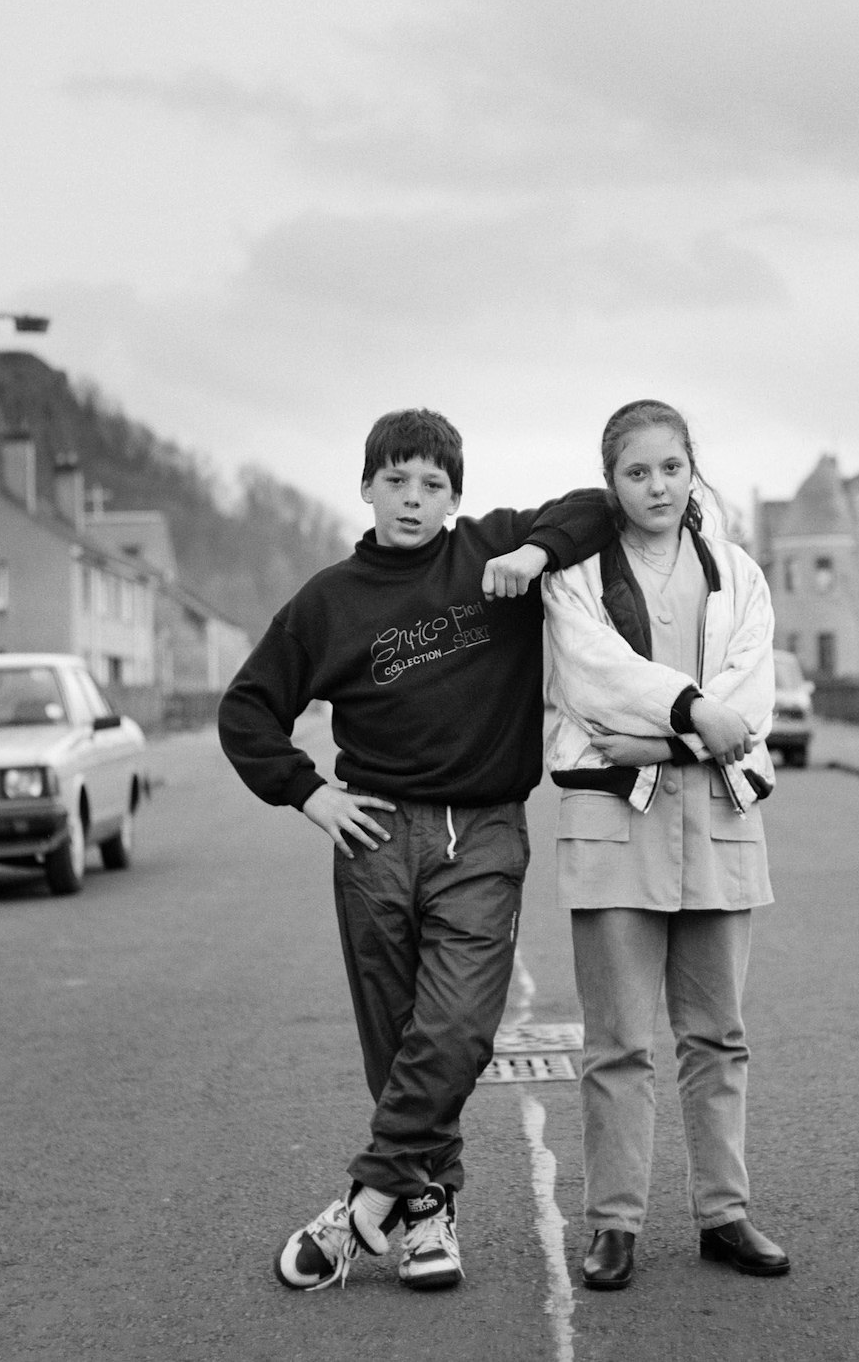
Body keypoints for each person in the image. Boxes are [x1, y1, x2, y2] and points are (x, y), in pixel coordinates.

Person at [219, 408, 614, 1293]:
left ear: (455, 495)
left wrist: (537, 553)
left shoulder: (488, 552)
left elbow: (595, 505)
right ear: (365, 487)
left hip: (481, 829)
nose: (413, 498)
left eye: (432, 484)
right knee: (397, 1039)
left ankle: (364, 1202)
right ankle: (429, 1215)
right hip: (376, 834)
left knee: (458, 1026)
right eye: (395, 480)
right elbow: (247, 709)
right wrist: (310, 791)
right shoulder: (329, 601)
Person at [540, 398, 790, 1291]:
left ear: (693, 470)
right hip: (618, 827)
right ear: (612, 481)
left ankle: (725, 1214)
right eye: (637, 471)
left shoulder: (739, 573)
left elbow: (749, 707)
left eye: (670, 468)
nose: (656, 485)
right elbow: (593, 682)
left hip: (719, 823)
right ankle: (614, 1225)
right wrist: (691, 716)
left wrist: (666, 739)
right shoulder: (575, 577)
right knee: (617, 1042)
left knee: (718, 1036)